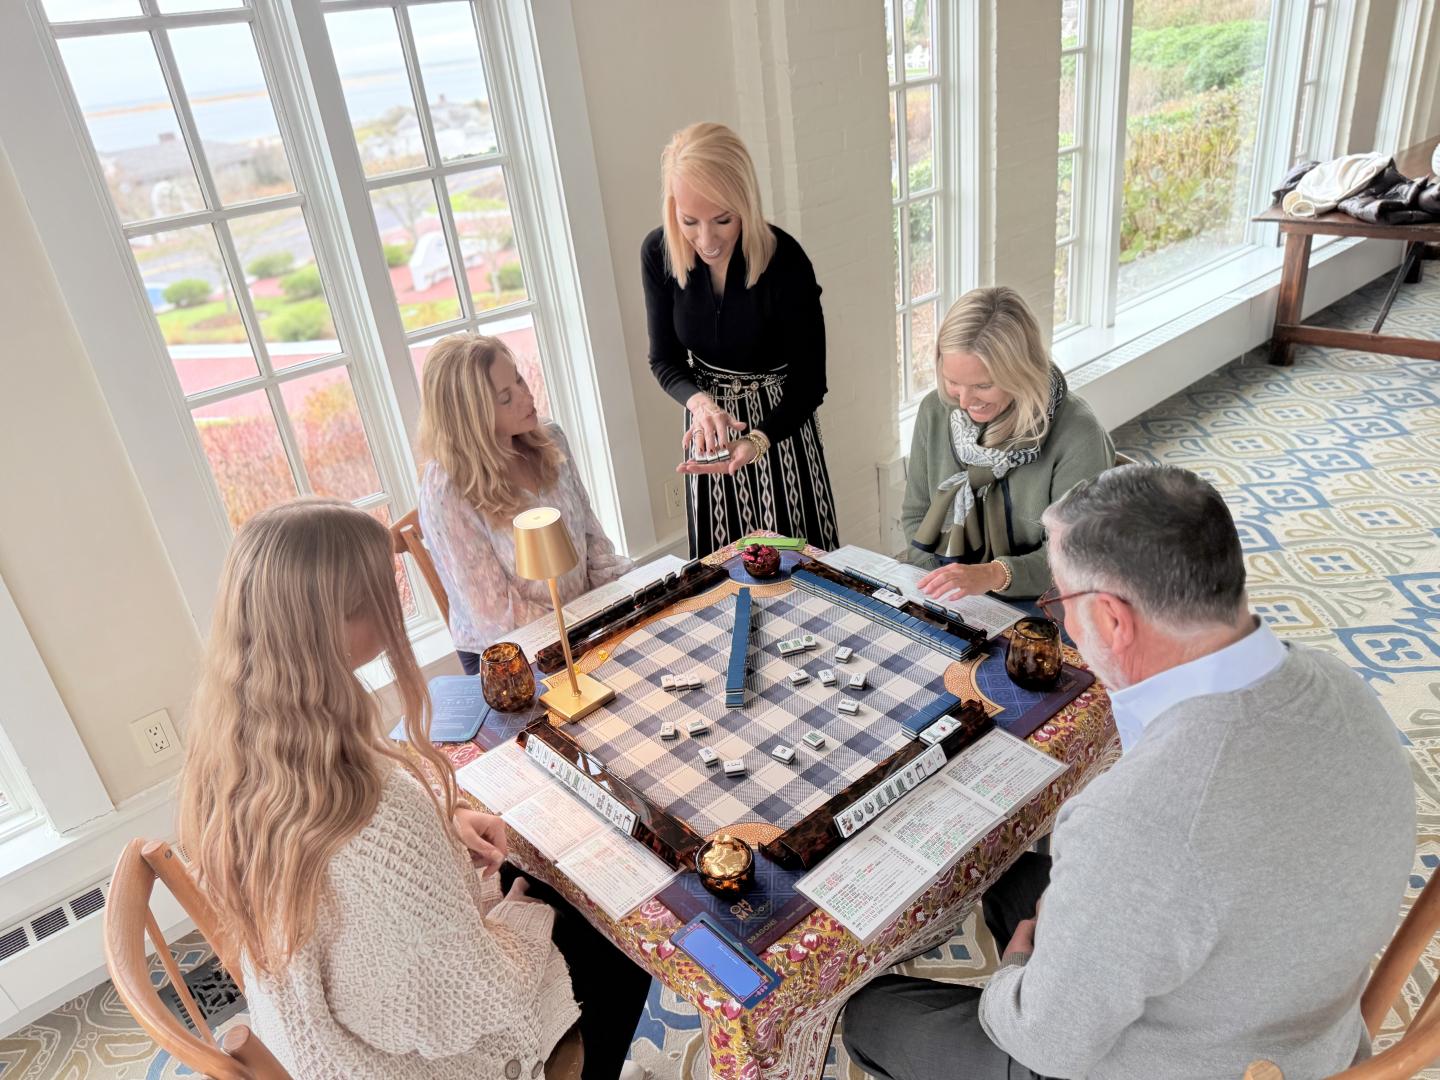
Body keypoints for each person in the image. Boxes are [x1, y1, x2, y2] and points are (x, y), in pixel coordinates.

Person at [842, 465, 1415, 1080]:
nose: (1059, 619)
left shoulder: (1137, 819)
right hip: (1304, 1017)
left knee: (871, 1015)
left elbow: (1047, 1043)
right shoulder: (1338, 680)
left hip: (1193, 1063)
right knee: (1011, 872)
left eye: (1057, 599)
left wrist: (1015, 969)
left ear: (1113, 620)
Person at [176, 498, 652, 1080]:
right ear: (339, 622)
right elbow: (471, 1002)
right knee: (618, 942)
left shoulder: (227, 748)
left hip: (315, 1036)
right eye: (385, 591)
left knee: (530, 889)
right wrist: (522, 915)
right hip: (408, 1062)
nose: (398, 603)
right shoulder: (378, 813)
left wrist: (441, 833)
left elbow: (362, 904)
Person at [642, 121, 840, 558]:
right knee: (722, 575)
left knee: (800, 571)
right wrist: (700, 403)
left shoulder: (785, 261)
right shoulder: (658, 254)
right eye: (689, 221)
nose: (706, 240)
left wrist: (758, 440)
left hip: (780, 428)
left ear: (745, 204)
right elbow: (665, 360)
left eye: (723, 220)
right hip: (710, 429)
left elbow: (811, 382)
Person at [417, 334, 633, 674]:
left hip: (584, 620)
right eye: (506, 397)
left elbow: (593, 540)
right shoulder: (446, 490)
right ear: (470, 418)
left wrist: (625, 599)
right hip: (510, 657)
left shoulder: (550, 437)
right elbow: (495, 617)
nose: (526, 395)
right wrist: (583, 632)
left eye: (518, 378)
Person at [900, 286, 1112, 603]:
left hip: (1048, 601)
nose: (964, 401)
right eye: (953, 381)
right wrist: (938, 588)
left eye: (984, 385)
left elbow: (1076, 559)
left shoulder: (1078, 435)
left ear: (1022, 371)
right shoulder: (936, 409)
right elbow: (916, 515)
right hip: (956, 598)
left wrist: (991, 576)